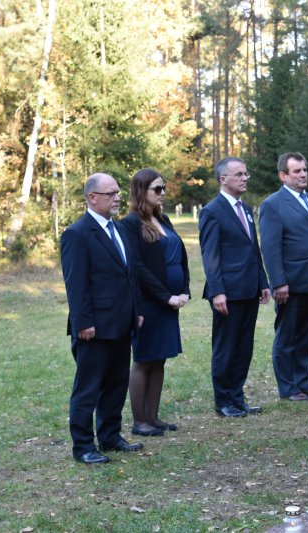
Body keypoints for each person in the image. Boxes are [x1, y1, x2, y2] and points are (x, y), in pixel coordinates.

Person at [60, 172, 144, 464]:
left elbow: (130, 274)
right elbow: (76, 284)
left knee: (116, 384)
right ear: (92, 197)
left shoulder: (118, 229)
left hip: (122, 323)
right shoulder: (77, 233)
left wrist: (137, 312)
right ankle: (83, 446)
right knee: (88, 388)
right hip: (94, 327)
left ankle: (110, 436)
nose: (117, 198)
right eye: (111, 194)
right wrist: (83, 323)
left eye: (118, 192)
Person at [199, 157, 271, 418]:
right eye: (239, 174)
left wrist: (262, 282)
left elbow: (253, 249)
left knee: (243, 348)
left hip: (249, 289)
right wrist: (218, 291)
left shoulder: (246, 209)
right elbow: (210, 255)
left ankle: (237, 397)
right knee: (226, 347)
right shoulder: (212, 211)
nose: (244, 178)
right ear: (223, 179)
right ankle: (223, 401)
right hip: (227, 292)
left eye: (245, 174)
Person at [122, 169, 190, 437]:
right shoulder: (130, 224)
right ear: (141, 191)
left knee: (159, 359)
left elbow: (180, 258)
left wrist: (184, 290)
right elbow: (137, 266)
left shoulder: (164, 219)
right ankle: (140, 422)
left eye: (164, 188)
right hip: (149, 303)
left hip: (170, 303)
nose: (162, 193)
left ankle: (153, 417)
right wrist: (165, 296)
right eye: (157, 189)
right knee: (144, 359)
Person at [258, 152, 308, 402]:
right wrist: (279, 282)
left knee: (306, 336)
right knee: (287, 337)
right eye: (297, 171)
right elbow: (270, 247)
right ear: (283, 176)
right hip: (290, 284)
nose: (303, 174)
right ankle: (288, 387)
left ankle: (304, 383)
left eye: (305, 169)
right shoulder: (273, 204)